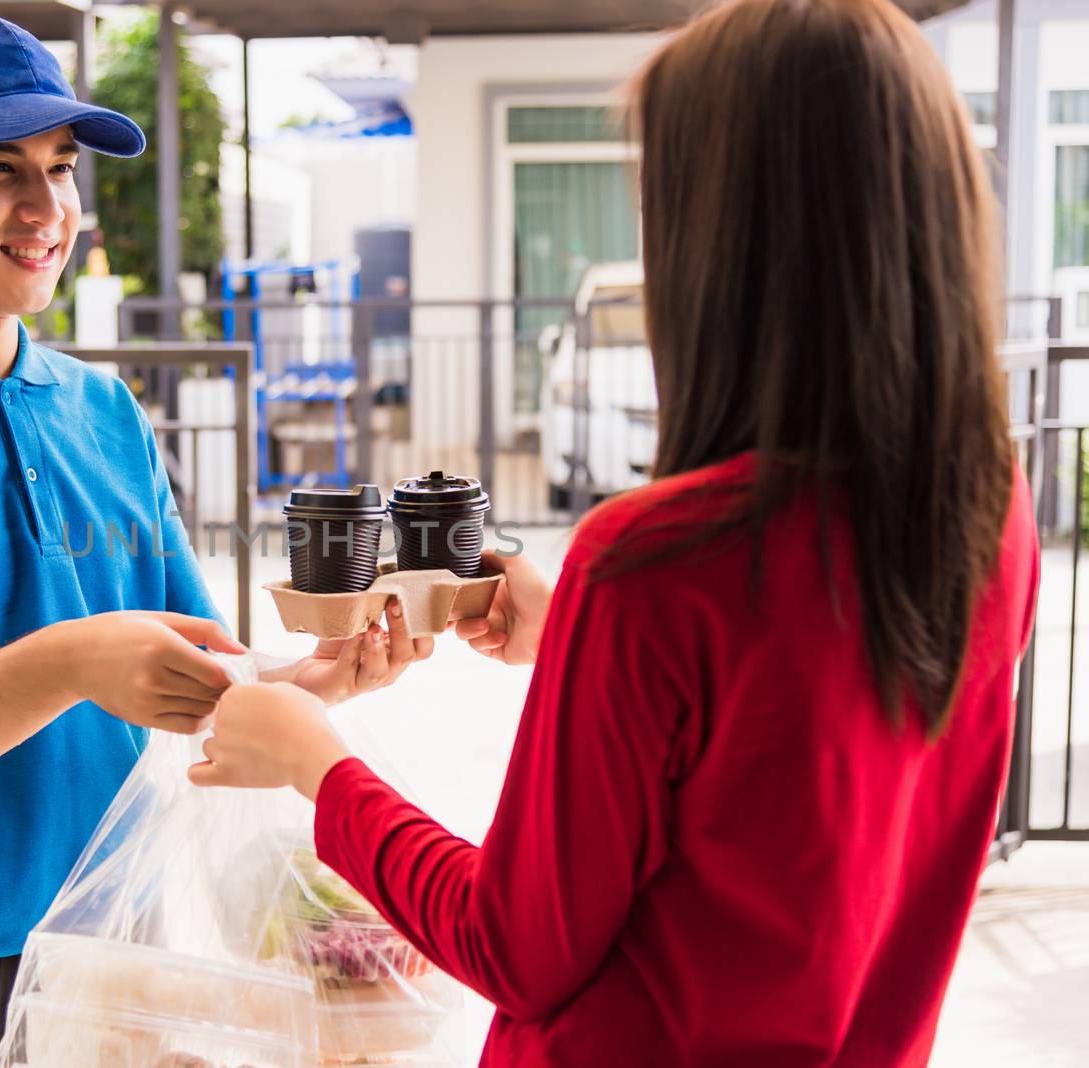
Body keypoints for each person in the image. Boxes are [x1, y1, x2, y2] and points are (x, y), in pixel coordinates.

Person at [190, 0, 1041, 1064]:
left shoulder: (656, 562)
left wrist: (319, 767)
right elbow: (792, 775)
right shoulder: (982, 509)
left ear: (727, 237)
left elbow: (511, 946)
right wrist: (584, 647)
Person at [0, 15, 429, 1068]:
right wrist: (67, 662)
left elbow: (195, 679)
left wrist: (313, 678)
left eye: (59, 167)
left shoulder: (105, 411)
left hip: (112, 938)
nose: (47, 206)